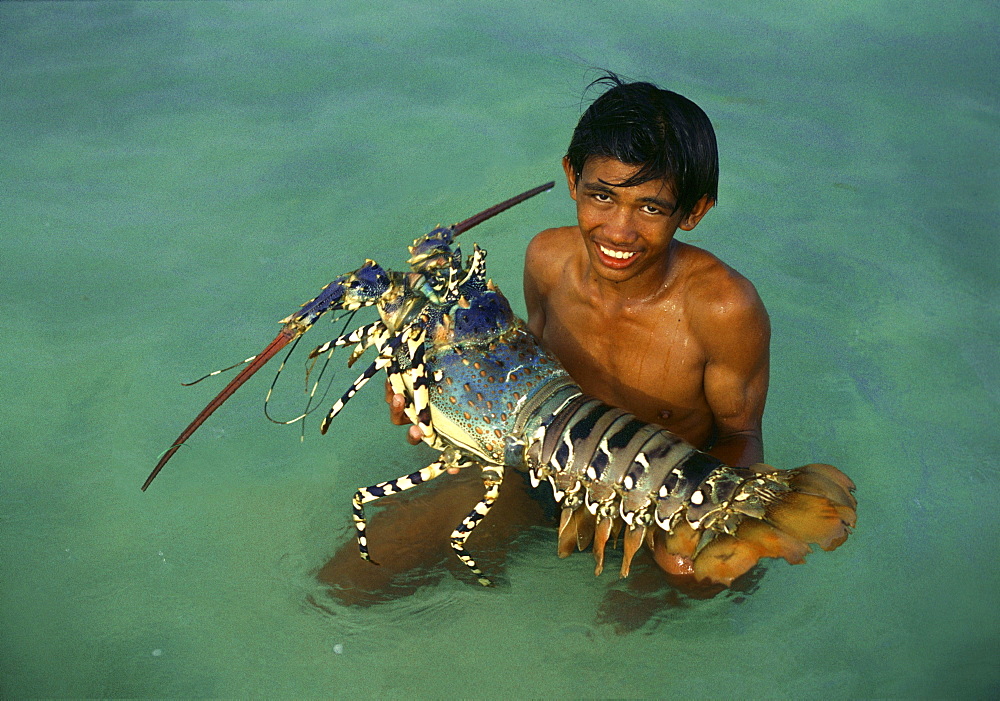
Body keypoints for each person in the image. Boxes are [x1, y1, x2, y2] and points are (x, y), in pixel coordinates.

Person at [390, 73, 769, 468]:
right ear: (573, 177)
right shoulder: (547, 259)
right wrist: (427, 395)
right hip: (539, 468)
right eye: (602, 196)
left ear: (694, 210)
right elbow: (520, 376)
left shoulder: (723, 309)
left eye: (650, 208)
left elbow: (740, 437)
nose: (619, 231)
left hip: (654, 499)